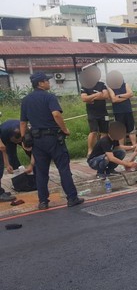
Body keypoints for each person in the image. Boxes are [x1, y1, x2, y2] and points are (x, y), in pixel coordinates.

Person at [20, 72, 84, 210]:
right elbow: (56, 114)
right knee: (63, 169)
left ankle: (43, 201)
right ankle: (72, 198)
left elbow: (23, 123)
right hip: (53, 139)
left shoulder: (26, 100)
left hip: (37, 141)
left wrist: (24, 139)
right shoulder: (49, 97)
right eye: (47, 81)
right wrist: (65, 129)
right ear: (41, 83)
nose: (49, 83)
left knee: (41, 172)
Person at [80, 78, 109, 157]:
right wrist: (97, 94)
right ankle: (90, 150)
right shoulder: (85, 86)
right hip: (92, 113)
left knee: (104, 132)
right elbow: (84, 98)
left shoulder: (101, 84)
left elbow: (106, 95)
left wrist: (91, 97)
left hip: (103, 113)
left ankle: (102, 149)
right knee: (93, 132)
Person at [107, 81, 136, 149]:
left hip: (128, 111)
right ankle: (122, 147)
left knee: (131, 129)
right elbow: (114, 99)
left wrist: (120, 96)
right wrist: (126, 96)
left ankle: (134, 146)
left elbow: (131, 94)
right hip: (118, 112)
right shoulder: (110, 87)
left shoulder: (125, 84)